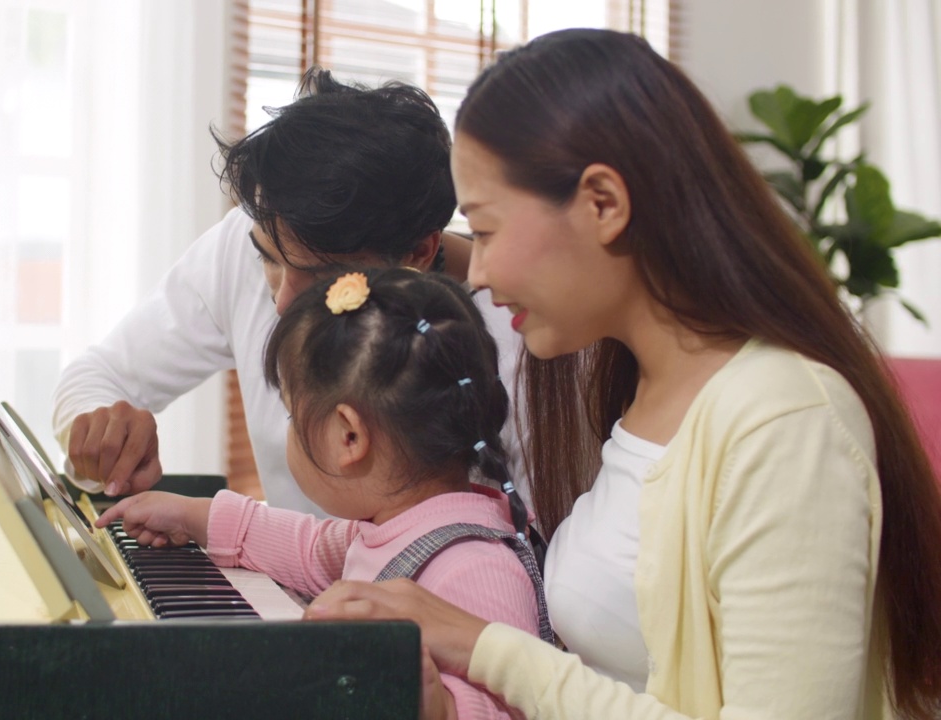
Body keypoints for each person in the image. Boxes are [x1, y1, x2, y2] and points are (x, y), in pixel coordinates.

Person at [301, 28, 941, 720]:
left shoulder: (786, 422)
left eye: (484, 230)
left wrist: (487, 649)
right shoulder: (635, 394)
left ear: (603, 203)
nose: (477, 274)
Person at [53, 68, 525, 515]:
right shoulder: (251, 240)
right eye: (270, 261)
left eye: (323, 278)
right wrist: (100, 433)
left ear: (419, 252)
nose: (282, 302)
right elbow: (98, 375)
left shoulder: (523, 336)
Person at [97, 268, 549, 720]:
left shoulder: (477, 567)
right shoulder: (390, 524)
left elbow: (518, 704)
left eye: (293, 417)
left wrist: (440, 708)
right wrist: (195, 516)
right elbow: (312, 550)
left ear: (348, 437)